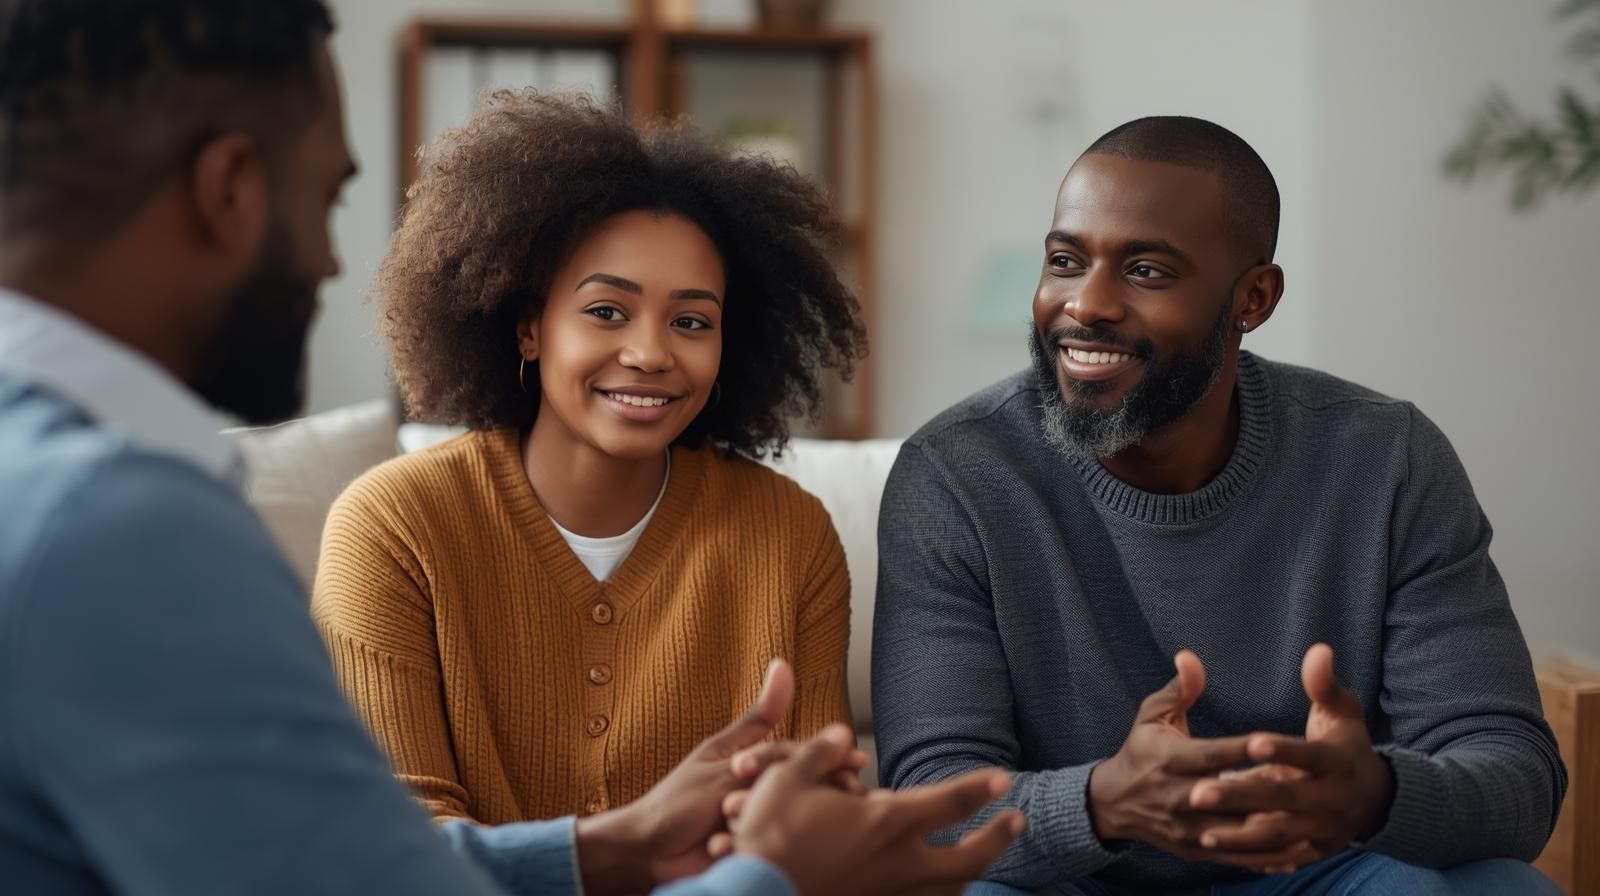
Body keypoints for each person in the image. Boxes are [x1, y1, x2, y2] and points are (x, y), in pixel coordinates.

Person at [0, 2, 1023, 893]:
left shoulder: (66, 490)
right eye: (328, 197)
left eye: (694, 320)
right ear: (525, 323)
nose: (326, 257)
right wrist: (770, 873)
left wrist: (615, 847)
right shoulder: (123, 529)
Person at [871, 115, 1566, 895]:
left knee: (1506, 888)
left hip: (1323, 872)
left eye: (1146, 271)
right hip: (1066, 881)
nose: (1086, 304)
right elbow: (929, 803)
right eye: (1066, 260)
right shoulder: (957, 473)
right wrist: (1107, 802)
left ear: (1253, 298)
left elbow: (1516, 778)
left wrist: (1372, 793)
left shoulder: (1386, 459)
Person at [310, 90, 863, 824]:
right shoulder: (392, 529)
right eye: (606, 311)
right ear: (529, 326)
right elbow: (395, 843)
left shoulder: (791, 538)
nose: (650, 353)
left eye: (691, 321)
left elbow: (813, 827)